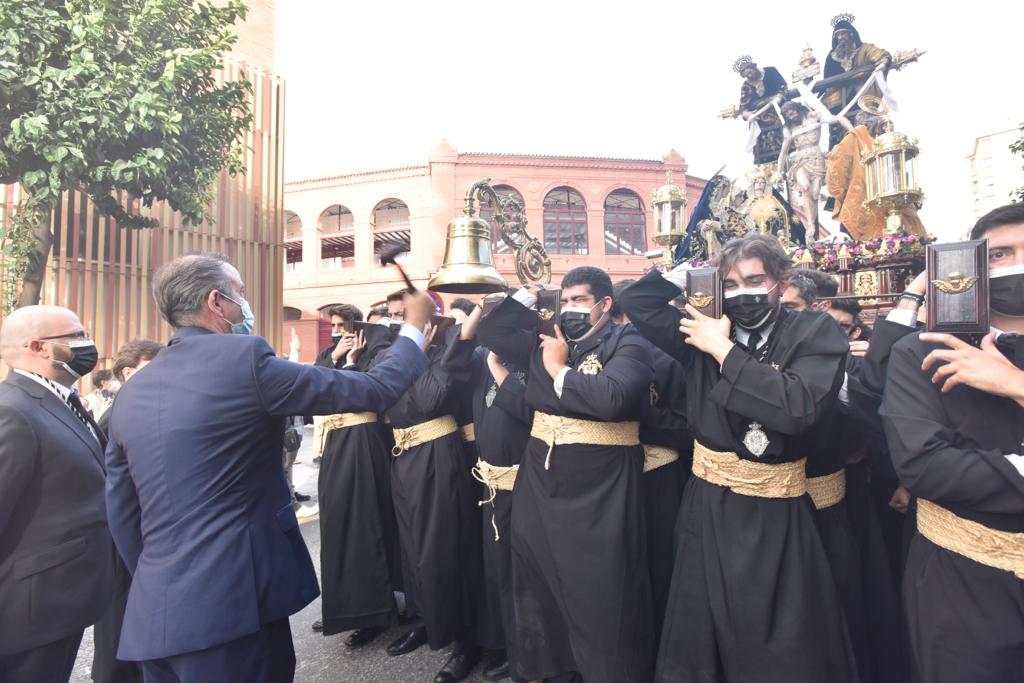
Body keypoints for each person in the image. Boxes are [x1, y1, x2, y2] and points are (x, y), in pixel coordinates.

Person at [104, 253, 433, 682]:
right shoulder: (245, 360)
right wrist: (413, 331)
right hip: (235, 607)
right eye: (240, 293)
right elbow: (373, 389)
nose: (246, 304)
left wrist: (161, 579)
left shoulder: (133, 389)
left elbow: (122, 510)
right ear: (217, 302)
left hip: (157, 614)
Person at [619, 233, 857, 683]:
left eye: (754, 280)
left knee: (781, 633)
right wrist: (694, 269)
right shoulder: (702, 322)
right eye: (730, 283)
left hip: (778, 506)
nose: (742, 293)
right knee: (703, 627)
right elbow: (637, 299)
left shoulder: (814, 331)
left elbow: (798, 408)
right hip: (710, 500)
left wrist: (723, 350)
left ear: (782, 283)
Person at [477, 267, 656, 683]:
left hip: (600, 487)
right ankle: (556, 670)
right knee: (540, 578)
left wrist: (558, 370)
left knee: (599, 588)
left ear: (604, 304)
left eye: (578, 300)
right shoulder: (548, 339)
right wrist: (532, 290)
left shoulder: (629, 342)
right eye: (566, 301)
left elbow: (611, 399)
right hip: (541, 481)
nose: (570, 309)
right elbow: (492, 332)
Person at [880, 203, 1024, 683]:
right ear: (973, 266)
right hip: (966, 573)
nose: (1015, 265)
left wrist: (1015, 386)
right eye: (1001, 254)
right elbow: (927, 467)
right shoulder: (923, 349)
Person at [0, 305, 114, 683]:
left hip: (63, 600)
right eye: (76, 336)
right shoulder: (12, 410)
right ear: (39, 347)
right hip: (30, 613)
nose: (87, 344)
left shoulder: (57, 398)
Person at [384, 314, 484, 683]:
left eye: (406, 318)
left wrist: (420, 356)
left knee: (443, 549)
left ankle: (465, 641)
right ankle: (427, 620)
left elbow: (427, 399)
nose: (398, 325)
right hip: (404, 459)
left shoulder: (448, 356)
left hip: (438, 456)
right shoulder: (392, 357)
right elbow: (386, 401)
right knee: (413, 550)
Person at [314, 308, 407, 651]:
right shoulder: (329, 354)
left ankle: (371, 609)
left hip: (364, 444)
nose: (338, 331)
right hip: (336, 447)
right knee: (337, 530)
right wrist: (337, 357)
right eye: (333, 327)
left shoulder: (377, 354)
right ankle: (344, 607)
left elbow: (368, 393)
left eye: (344, 326)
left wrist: (351, 362)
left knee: (362, 527)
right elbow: (312, 395)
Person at [612, 279, 688, 643]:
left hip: (659, 475)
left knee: (658, 562)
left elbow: (690, 426)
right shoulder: (600, 356)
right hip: (607, 476)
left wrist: (641, 415)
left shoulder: (675, 358)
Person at [92, 338, 163, 683]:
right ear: (128, 372)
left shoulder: (134, 409)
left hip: (135, 532)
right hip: (122, 539)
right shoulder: (118, 416)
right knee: (120, 623)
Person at [822, 14, 892, 148]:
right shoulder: (831, 57)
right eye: (838, 35)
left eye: (843, 34)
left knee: (865, 131)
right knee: (840, 140)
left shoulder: (864, 49)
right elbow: (827, 80)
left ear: (851, 34)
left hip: (861, 96)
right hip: (839, 103)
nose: (841, 38)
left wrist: (883, 62)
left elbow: (881, 55)